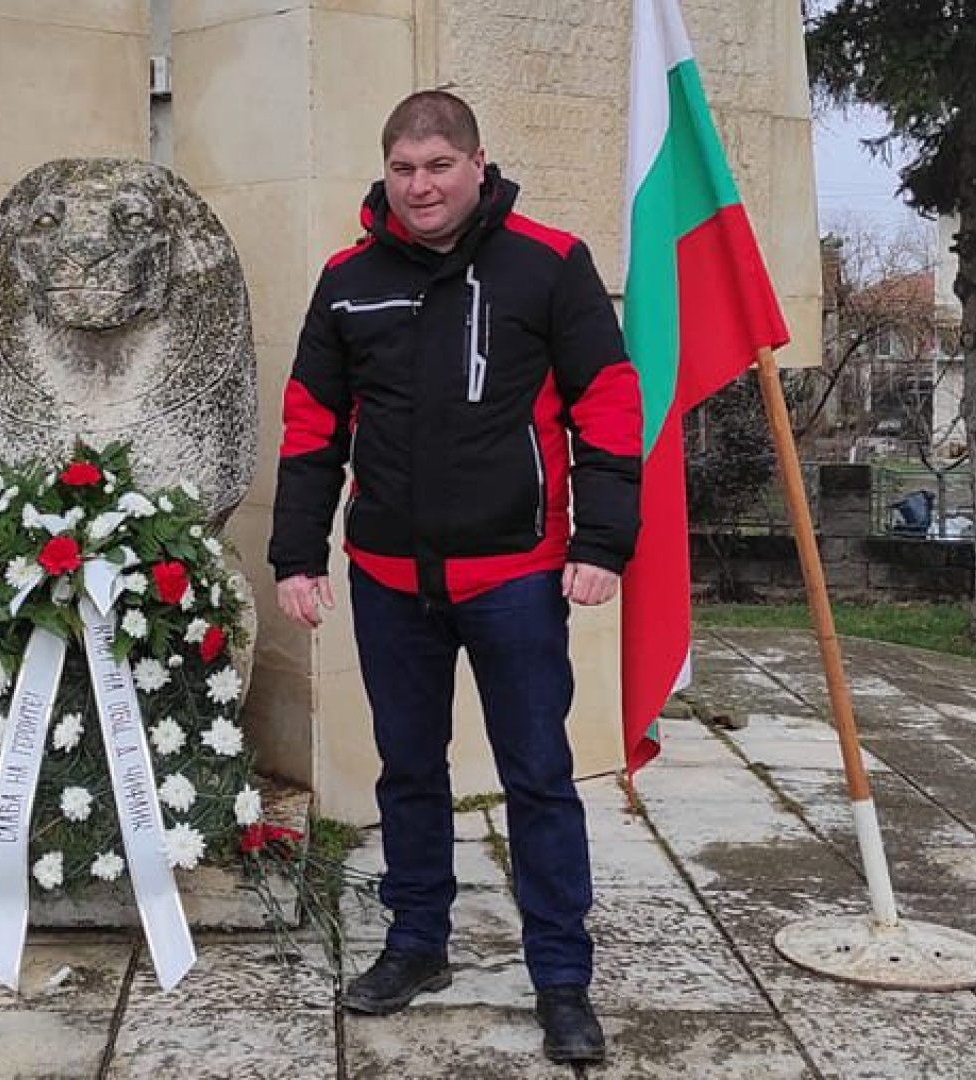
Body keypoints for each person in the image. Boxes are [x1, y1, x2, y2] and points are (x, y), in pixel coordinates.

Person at [268, 90, 642, 1065]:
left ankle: (562, 982)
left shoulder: (549, 264)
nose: (420, 185)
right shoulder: (349, 281)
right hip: (391, 580)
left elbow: (608, 402)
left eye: (439, 165)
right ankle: (415, 942)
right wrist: (297, 556)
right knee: (408, 772)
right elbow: (312, 425)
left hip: (515, 579)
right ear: (385, 174)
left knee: (539, 779)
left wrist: (601, 541)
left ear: (480, 165)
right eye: (404, 168)